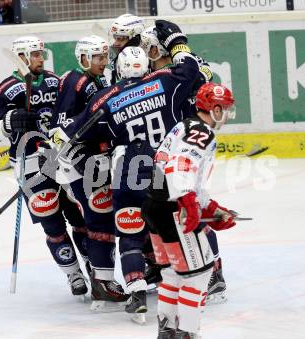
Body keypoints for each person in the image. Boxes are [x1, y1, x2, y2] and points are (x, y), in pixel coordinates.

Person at [54, 19, 205, 320]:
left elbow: (75, 133)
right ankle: (193, 276)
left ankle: (135, 291)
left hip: (129, 167)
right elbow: (191, 69)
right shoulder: (165, 80)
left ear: (120, 70)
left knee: (130, 229)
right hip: (168, 166)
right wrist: (177, 40)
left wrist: (60, 141)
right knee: (178, 219)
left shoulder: (105, 98)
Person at [0, 36, 89, 297]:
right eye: (37, 54)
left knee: (79, 215)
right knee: (51, 222)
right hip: (28, 162)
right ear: (22, 57)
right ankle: (74, 274)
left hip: (59, 158)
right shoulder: (7, 90)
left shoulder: (56, 82)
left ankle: (94, 267)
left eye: (42, 54)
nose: (42, 58)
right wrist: (9, 121)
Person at [141, 82, 237, 338]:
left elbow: (185, 174)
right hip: (173, 208)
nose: (227, 114)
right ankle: (187, 332)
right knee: (198, 274)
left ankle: (168, 330)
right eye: (224, 108)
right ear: (213, 108)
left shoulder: (184, 125)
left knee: (171, 272)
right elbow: (180, 165)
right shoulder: (203, 132)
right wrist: (187, 202)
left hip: (154, 205)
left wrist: (212, 209)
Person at [140, 25, 228, 304]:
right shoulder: (148, 72)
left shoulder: (185, 67)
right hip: (161, 151)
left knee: (190, 206)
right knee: (158, 214)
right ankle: (166, 268)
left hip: (184, 146)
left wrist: (179, 45)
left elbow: (200, 77)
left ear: (157, 47)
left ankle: (212, 270)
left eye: (146, 45)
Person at [48, 35, 129, 310]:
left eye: (105, 57)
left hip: (95, 161)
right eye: (97, 58)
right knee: (99, 219)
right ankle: (102, 283)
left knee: (102, 219)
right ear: (83, 58)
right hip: (78, 165)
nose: (103, 62)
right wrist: (79, 157)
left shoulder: (97, 81)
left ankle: (102, 279)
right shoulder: (77, 81)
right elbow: (60, 129)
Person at [107, 13, 145, 84]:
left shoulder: (148, 57)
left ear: (135, 39)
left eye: (120, 39)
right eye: (115, 38)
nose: (115, 43)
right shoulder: (114, 54)